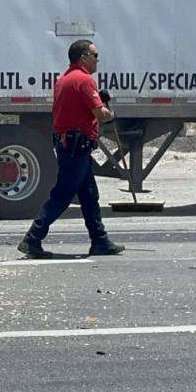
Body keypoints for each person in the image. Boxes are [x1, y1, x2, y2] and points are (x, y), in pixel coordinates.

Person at [18, 39, 125, 259]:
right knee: (63, 194)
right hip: (76, 146)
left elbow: (78, 108)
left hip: (70, 144)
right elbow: (100, 114)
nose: (98, 60)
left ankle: (100, 241)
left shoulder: (64, 79)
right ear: (83, 57)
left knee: (89, 195)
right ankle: (32, 238)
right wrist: (109, 111)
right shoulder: (84, 80)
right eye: (95, 56)